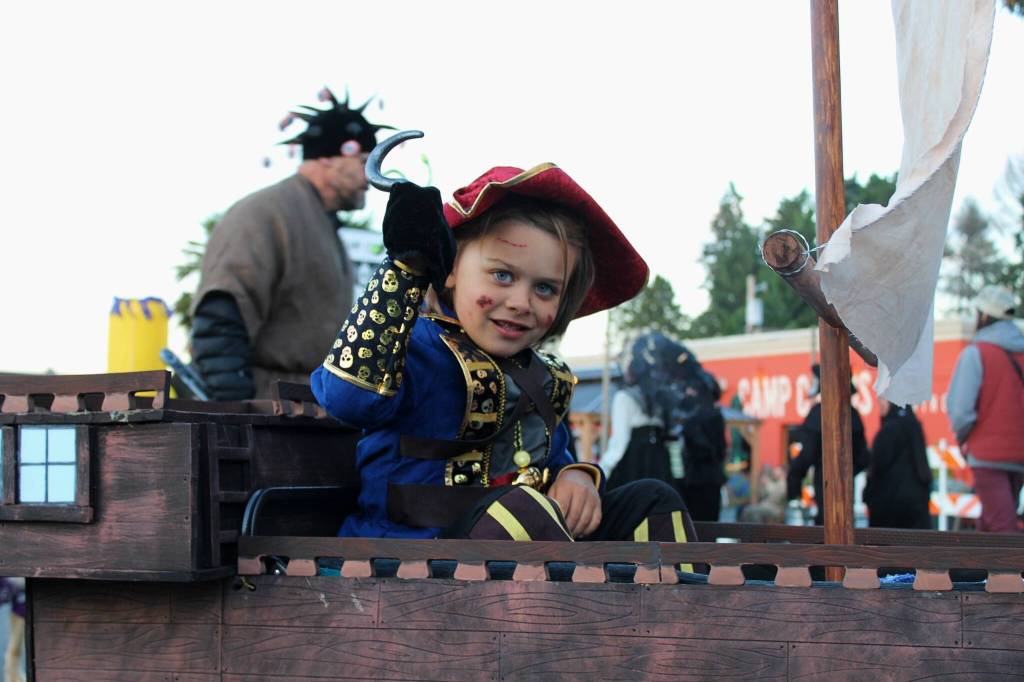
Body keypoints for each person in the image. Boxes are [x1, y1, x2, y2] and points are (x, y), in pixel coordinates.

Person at [311, 163, 698, 547]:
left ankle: (677, 606)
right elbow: (349, 400)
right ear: (449, 270)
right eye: (502, 275)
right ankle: (574, 608)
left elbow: (551, 456)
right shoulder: (416, 348)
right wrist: (404, 272)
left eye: (545, 288)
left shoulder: (545, 377)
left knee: (652, 500)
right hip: (410, 551)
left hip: (524, 539)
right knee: (522, 511)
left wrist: (574, 477)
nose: (520, 303)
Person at [190, 88, 393, 400]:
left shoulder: (321, 223)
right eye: (364, 161)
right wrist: (235, 411)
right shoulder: (266, 213)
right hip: (267, 408)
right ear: (327, 158)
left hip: (303, 408)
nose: (371, 176)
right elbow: (222, 313)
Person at [948, 284, 1024, 533]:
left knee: (1002, 528)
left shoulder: (976, 353)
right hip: (1019, 454)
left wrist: (964, 437)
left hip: (988, 454)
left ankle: (1005, 571)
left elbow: (961, 411)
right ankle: (980, 572)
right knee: (994, 519)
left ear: (983, 316)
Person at [786, 364, 869, 525]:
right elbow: (863, 457)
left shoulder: (820, 414)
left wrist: (793, 484)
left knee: (826, 530)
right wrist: (847, 471)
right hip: (845, 493)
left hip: (825, 490)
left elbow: (806, 456)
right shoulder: (853, 415)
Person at [863, 398, 932, 529]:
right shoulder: (914, 424)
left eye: (883, 400)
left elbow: (877, 466)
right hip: (916, 507)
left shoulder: (889, 429)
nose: (880, 404)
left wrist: (869, 494)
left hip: (890, 508)